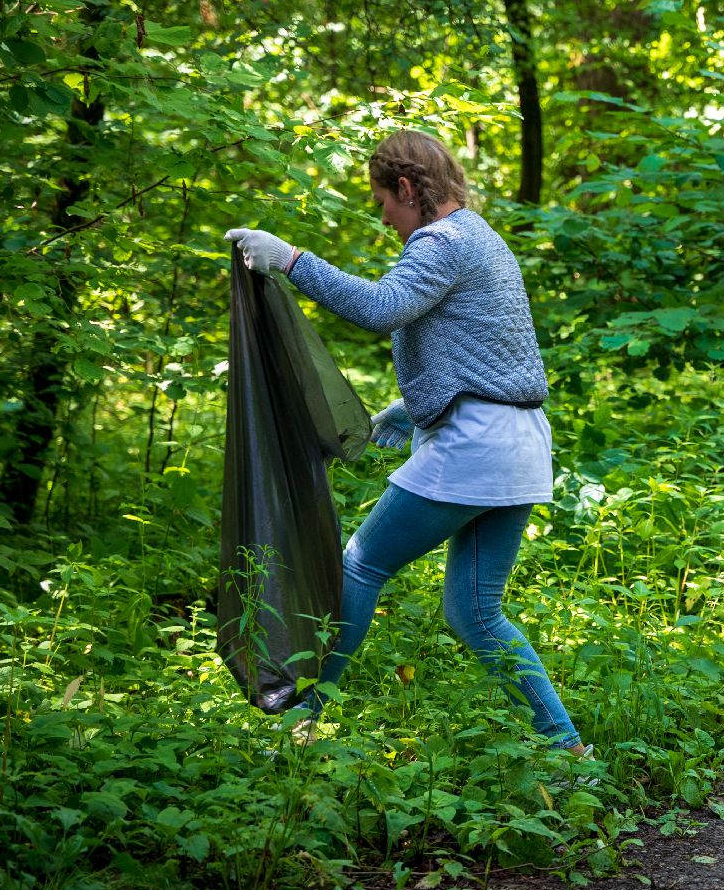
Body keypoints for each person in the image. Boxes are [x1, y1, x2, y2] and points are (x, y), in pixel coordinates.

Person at [225, 129, 588, 756]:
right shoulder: (480, 236)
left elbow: (381, 307)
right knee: (476, 613)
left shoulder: (442, 241)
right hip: (520, 445)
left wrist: (292, 259)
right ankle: (568, 750)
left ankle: (301, 720)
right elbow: (488, 347)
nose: (385, 220)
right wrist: (416, 405)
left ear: (406, 188)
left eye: (383, 204)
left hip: (475, 446)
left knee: (360, 564)